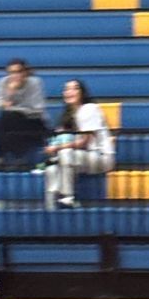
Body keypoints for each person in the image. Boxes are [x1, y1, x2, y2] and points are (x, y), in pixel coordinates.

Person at [43, 81, 115, 209]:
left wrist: (57, 148)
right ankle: (51, 208)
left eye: (74, 89)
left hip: (101, 157)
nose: (69, 92)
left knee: (65, 153)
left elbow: (84, 142)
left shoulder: (89, 109)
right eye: (67, 89)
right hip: (82, 157)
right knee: (51, 169)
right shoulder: (68, 116)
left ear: (82, 92)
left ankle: (68, 196)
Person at [0, 59, 48, 168]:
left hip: (34, 121)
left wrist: (14, 108)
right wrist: (10, 93)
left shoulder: (35, 83)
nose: (15, 75)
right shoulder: (3, 82)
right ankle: (14, 157)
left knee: (10, 117)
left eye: (18, 72)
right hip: (10, 120)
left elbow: (37, 110)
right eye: (11, 72)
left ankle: (2, 155)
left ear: (25, 73)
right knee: (6, 119)